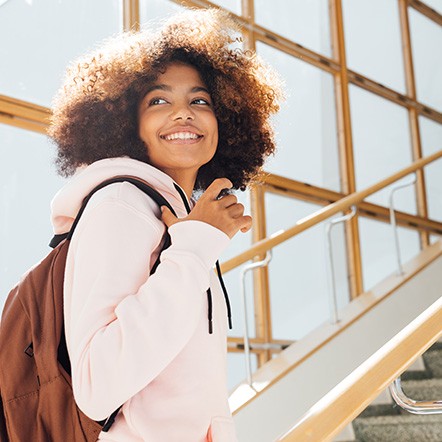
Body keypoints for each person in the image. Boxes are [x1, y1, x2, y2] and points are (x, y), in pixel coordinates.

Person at [49, 8, 281, 442]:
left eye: (200, 101)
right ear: (125, 123)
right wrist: (195, 246)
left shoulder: (175, 218)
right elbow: (98, 386)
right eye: (158, 100)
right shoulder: (122, 204)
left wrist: (193, 242)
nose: (183, 114)